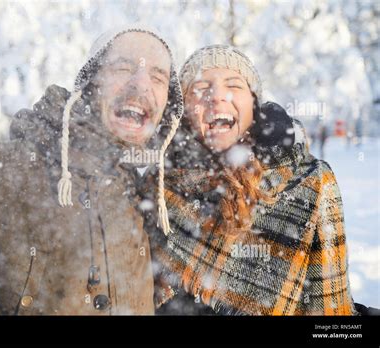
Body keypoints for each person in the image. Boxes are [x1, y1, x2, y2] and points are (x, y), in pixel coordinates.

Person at [0, 24, 184, 315]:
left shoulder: (146, 202)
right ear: (90, 83)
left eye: (158, 76)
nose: (141, 85)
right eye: (123, 68)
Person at [150, 45, 358, 315]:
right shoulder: (158, 185)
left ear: (253, 104)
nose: (217, 96)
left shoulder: (310, 181)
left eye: (234, 85)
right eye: (200, 88)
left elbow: (332, 311)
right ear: (184, 111)